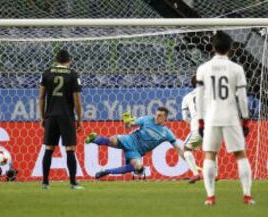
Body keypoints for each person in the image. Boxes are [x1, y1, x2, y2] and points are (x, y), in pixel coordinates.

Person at [196, 31, 254, 205]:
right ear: (230, 48)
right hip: (230, 116)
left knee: (210, 155)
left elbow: (200, 97)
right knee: (240, 154)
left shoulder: (203, 68)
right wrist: (245, 118)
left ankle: (210, 197)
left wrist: (200, 119)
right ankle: (247, 195)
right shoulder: (237, 69)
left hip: (212, 117)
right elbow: (242, 97)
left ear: (213, 48)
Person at [85, 107, 185, 179]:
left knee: (138, 167)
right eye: (157, 114)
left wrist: (187, 158)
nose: (157, 116)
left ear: (165, 118)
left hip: (136, 152)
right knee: (111, 141)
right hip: (129, 140)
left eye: (160, 115)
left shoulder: (167, 133)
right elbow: (129, 126)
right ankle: (95, 138)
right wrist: (127, 122)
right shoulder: (147, 119)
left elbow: (177, 148)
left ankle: (106, 172)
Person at [39, 49, 83, 190]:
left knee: (49, 149)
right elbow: (77, 99)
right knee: (70, 149)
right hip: (66, 116)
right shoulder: (73, 74)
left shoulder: (46, 73)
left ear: (56, 59)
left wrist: (42, 116)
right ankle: (73, 183)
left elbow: (41, 97)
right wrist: (79, 119)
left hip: (51, 115)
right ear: (68, 60)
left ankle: (45, 183)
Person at [181, 75, 218, 184]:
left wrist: (191, 123)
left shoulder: (187, 97)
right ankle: (215, 175)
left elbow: (184, 117)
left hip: (197, 127)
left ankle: (195, 174)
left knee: (186, 149)